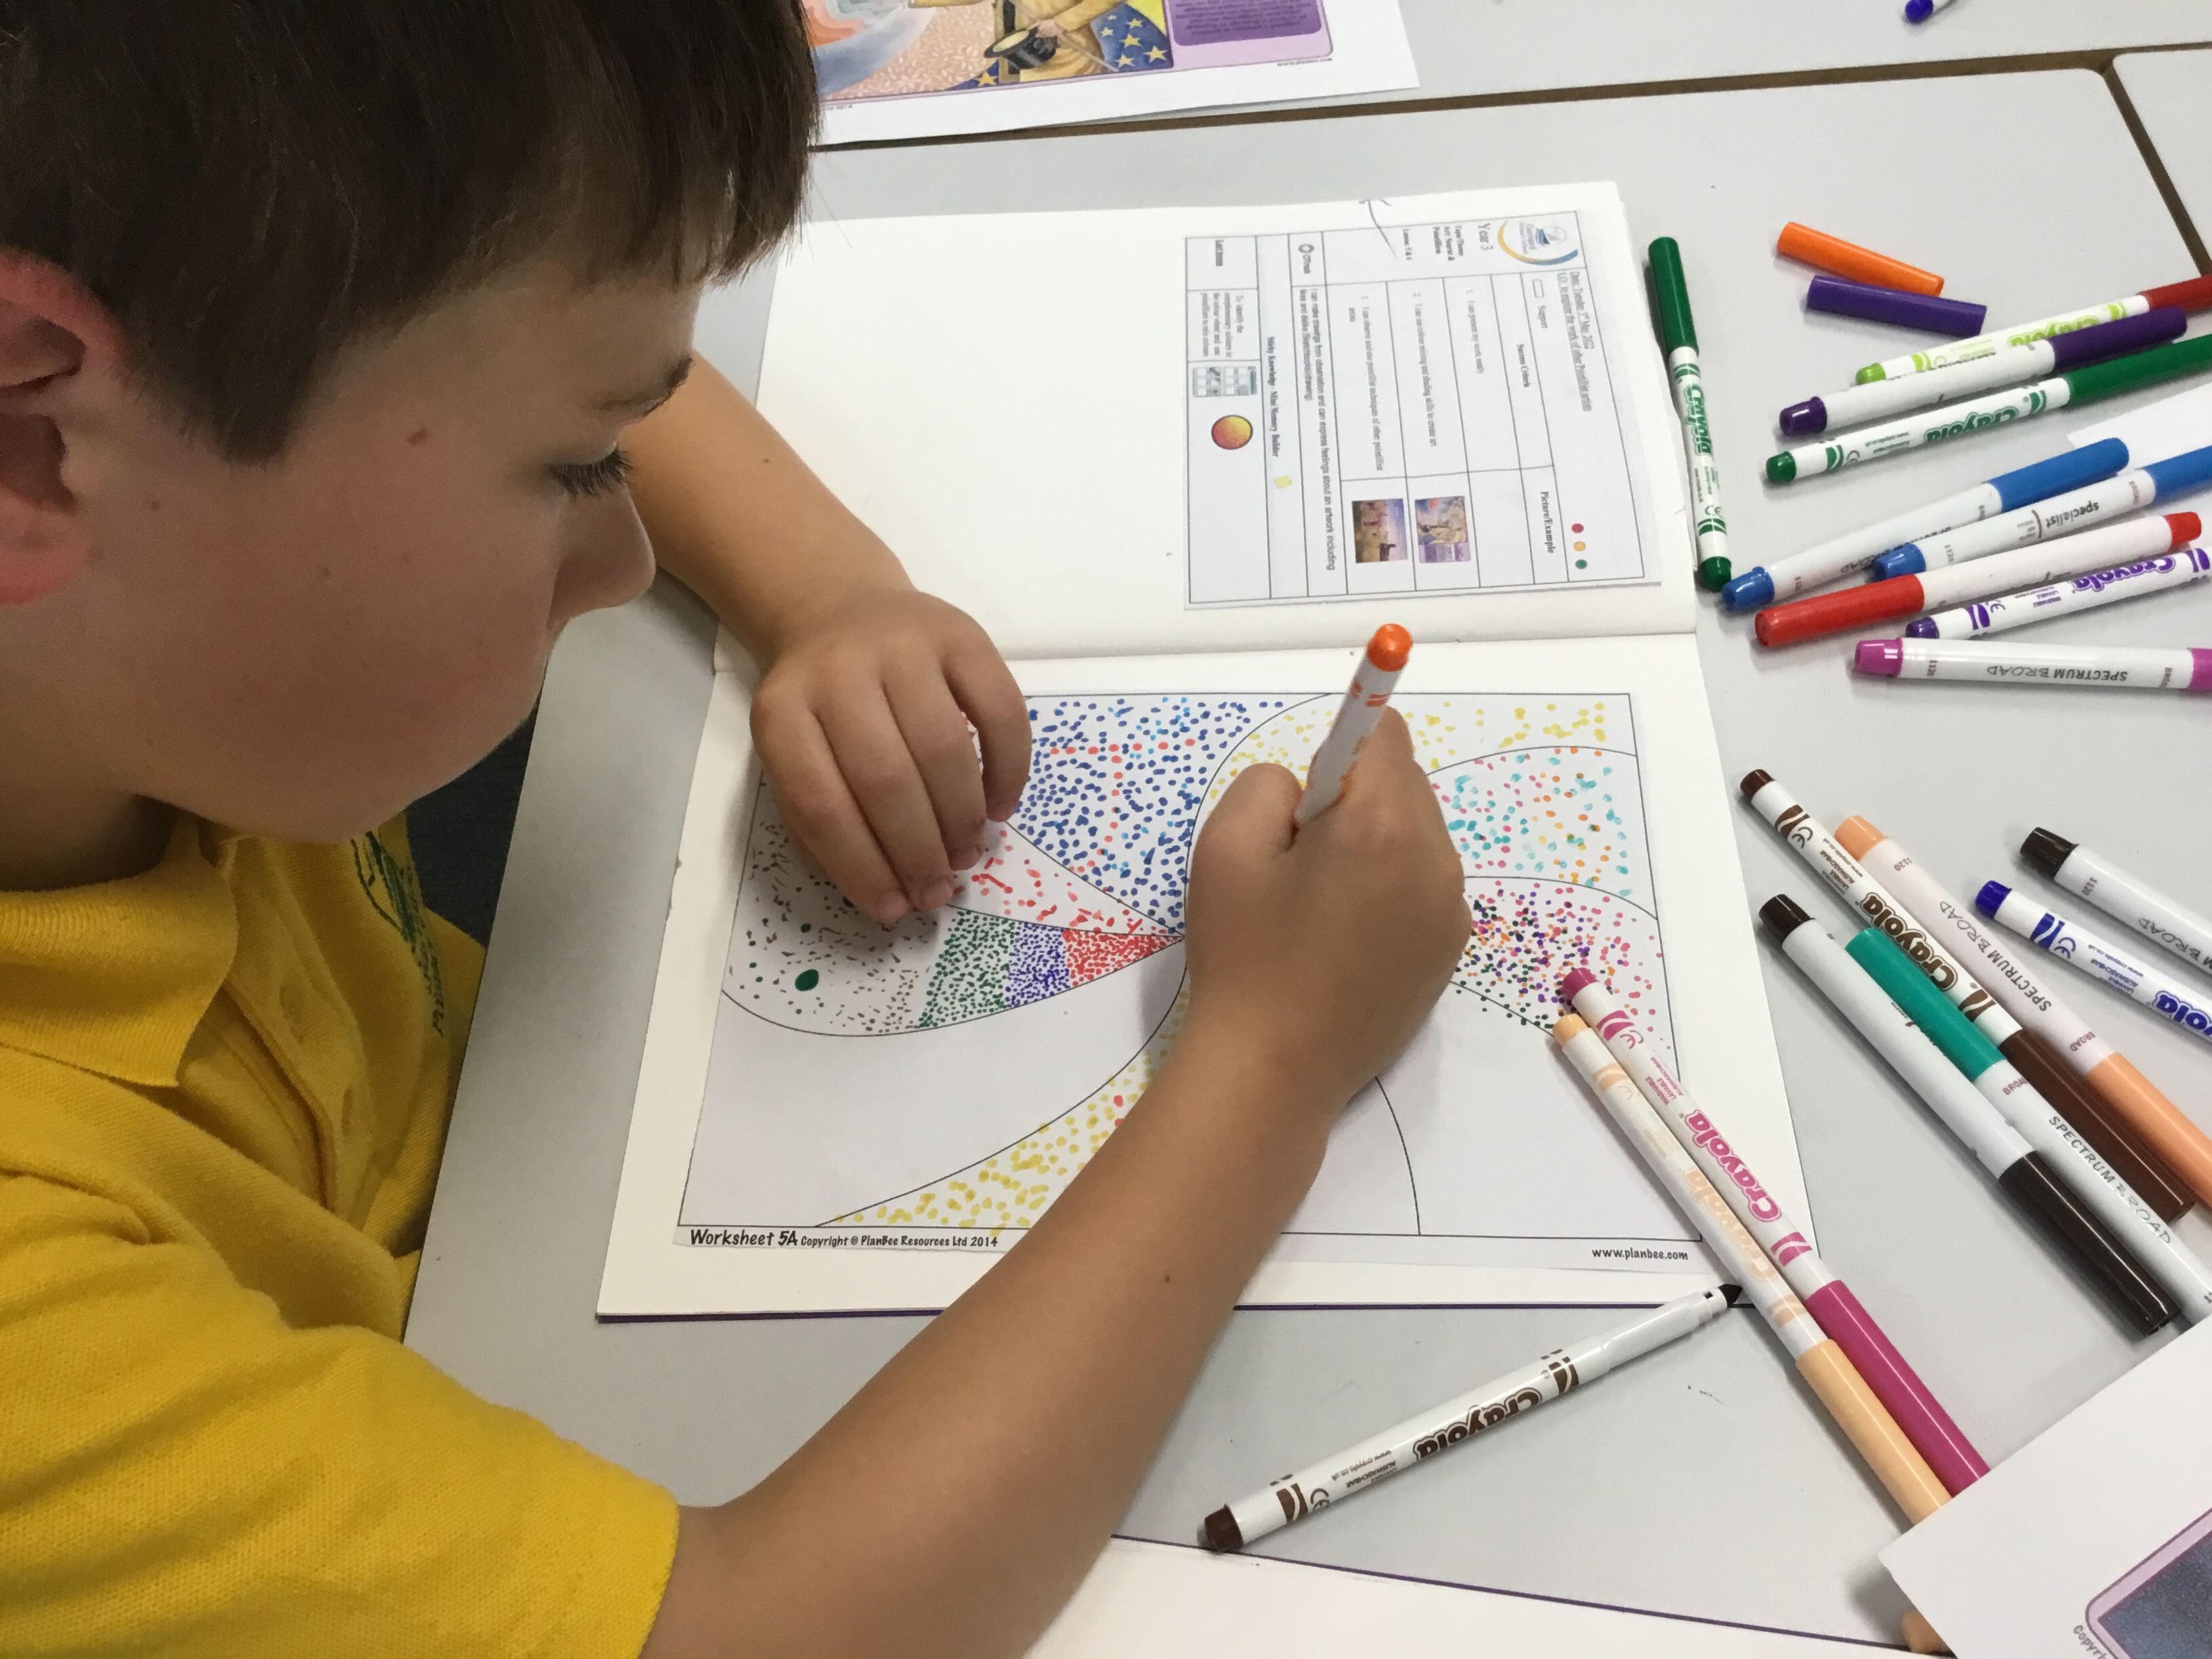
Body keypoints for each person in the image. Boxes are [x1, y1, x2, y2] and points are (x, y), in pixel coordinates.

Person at [0, 5, 1470, 1655]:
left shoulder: (144, 596)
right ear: (31, 442)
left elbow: (543, 310)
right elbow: (775, 1634)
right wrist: (1271, 1060)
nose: (626, 556)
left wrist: (829, 594)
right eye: (573, 471)